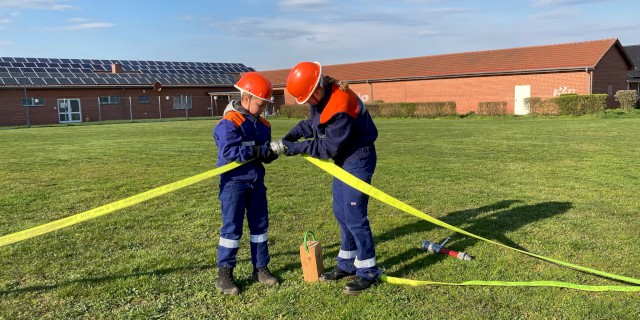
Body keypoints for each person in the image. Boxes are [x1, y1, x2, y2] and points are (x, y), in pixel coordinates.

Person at [271, 61, 382, 295]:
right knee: (341, 213)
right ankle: (347, 264)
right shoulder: (322, 98)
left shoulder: (340, 104)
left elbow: (327, 148)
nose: (310, 102)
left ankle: (368, 270)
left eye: (310, 97)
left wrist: (296, 148)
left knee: (355, 216)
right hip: (344, 160)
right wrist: (288, 137)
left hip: (357, 159)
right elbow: (312, 125)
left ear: (318, 86)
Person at [213, 72, 279, 295]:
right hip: (234, 184)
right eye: (261, 104)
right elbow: (229, 151)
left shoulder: (264, 124)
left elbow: (262, 150)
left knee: (260, 228)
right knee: (231, 229)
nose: (263, 109)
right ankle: (224, 274)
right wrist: (258, 151)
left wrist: (269, 153)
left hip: (256, 183)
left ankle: (260, 268)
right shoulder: (229, 122)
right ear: (246, 98)